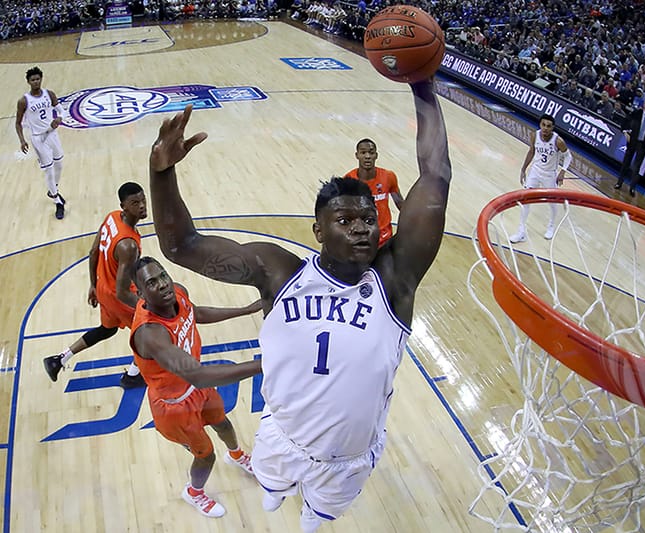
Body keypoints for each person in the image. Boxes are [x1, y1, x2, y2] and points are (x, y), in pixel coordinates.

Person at [148, 80, 451, 532]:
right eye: (344, 220)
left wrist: (423, 86)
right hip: (280, 437)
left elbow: (435, 179)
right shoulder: (278, 272)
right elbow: (182, 247)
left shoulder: (394, 280)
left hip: (349, 460)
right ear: (318, 231)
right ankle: (275, 491)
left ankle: (311, 513)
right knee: (272, 493)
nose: (361, 229)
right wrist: (161, 174)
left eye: (368, 219)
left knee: (316, 522)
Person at [130, 256, 263, 518]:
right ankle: (194, 493)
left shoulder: (177, 292)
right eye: (152, 283)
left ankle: (236, 455)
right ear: (141, 293)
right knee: (206, 454)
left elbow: (194, 313)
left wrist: (245, 310)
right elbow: (199, 375)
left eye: (163, 276)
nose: (164, 284)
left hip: (197, 389)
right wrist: (263, 365)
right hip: (174, 406)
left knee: (222, 422)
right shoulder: (150, 334)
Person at [43, 182, 149, 388]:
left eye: (143, 200)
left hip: (102, 288)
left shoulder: (112, 218)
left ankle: (59, 359)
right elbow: (122, 291)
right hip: (119, 295)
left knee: (107, 330)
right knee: (149, 329)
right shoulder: (128, 245)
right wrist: (148, 306)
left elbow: (93, 252)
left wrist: (93, 285)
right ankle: (133, 376)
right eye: (135, 203)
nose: (142, 206)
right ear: (124, 206)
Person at [15, 66, 67, 219]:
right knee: (49, 170)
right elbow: (18, 123)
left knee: (59, 165)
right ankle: (57, 200)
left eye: (38, 79)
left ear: (41, 79)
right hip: (38, 138)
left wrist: (59, 118)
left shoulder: (49, 94)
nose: (36, 82)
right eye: (33, 80)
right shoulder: (23, 101)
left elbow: (62, 110)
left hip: (52, 134)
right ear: (28, 82)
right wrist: (22, 140)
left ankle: (53, 190)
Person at [510, 114, 572, 242]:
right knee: (525, 199)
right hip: (535, 171)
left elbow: (568, 157)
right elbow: (531, 151)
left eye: (549, 126)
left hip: (550, 174)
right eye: (543, 125)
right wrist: (523, 169)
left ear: (553, 127)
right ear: (540, 125)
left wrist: (563, 172)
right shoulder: (535, 135)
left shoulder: (558, 141)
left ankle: (551, 226)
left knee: (552, 203)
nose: (545, 128)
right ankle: (521, 232)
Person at [344, 138, 404, 247]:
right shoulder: (349, 180)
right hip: (360, 237)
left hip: (384, 238)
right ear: (357, 155)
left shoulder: (388, 177)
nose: (367, 156)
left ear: (376, 155)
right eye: (363, 152)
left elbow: (400, 203)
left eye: (371, 153)